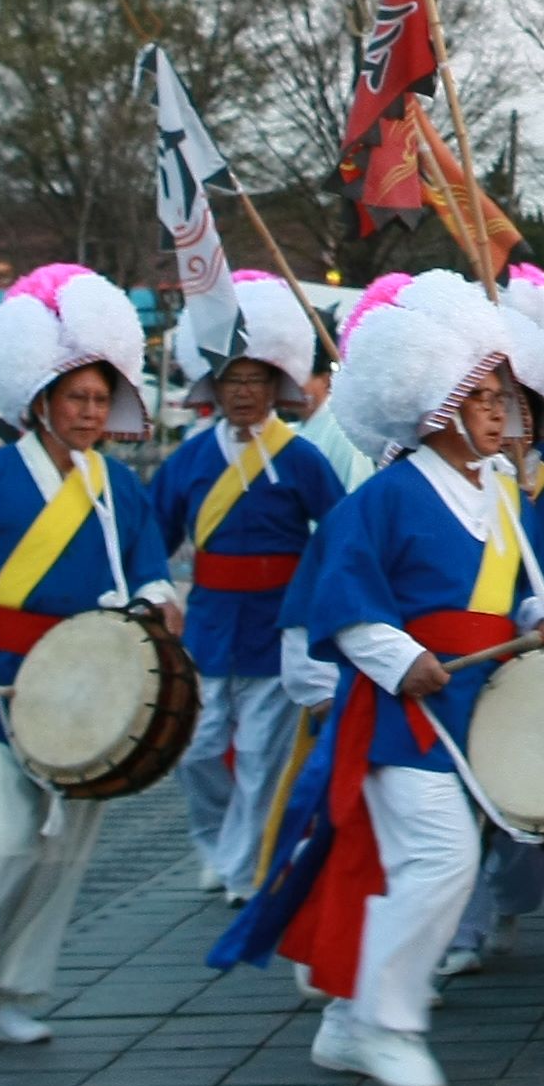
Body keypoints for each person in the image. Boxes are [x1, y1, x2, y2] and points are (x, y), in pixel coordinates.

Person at [228, 264, 544, 1086]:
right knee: (441, 858)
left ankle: (352, 1021)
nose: (503, 413)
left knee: (429, 864)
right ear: (438, 405)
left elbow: (519, 586)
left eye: (507, 399)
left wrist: (541, 622)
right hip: (406, 710)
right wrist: (401, 659)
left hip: (479, 707)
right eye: (487, 398)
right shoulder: (383, 498)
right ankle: (386, 1021)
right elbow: (346, 601)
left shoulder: (504, 495)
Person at [0, 266, 180, 1048]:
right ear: (42, 399)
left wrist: (158, 606)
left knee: (58, 857)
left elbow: (150, 571)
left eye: (98, 399)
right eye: (76, 397)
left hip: (86, 693)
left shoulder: (120, 487)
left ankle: (15, 984)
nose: (88, 411)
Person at [157, 284, 345, 902]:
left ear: (275, 385)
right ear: (213, 387)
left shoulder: (303, 457)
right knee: (197, 747)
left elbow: (339, 534)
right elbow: (150, 540)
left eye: (254, 378)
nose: (242, 390)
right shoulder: (186, 460)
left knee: (265, 756)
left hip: (278, 621)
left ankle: (245, 866)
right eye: (231, 379)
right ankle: (211, 840)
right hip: (209, 620)